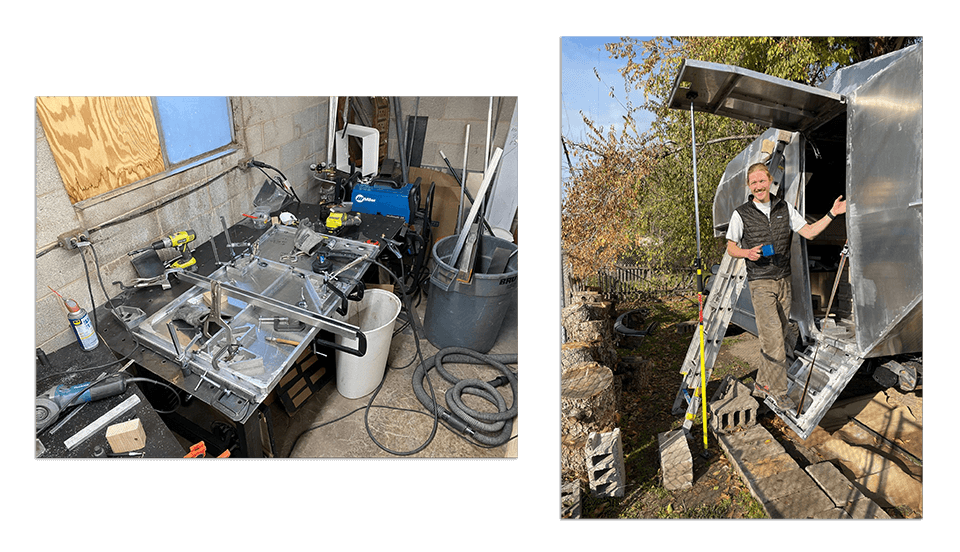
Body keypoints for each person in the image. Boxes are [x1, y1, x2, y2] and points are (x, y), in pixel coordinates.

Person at [725, 162, 846, 412]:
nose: (758, 186)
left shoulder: (784, 208)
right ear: (749, 186)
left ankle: (761, 384)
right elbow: (730, 247)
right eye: (754, 182)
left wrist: (833, 213)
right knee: (774, 341)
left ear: (769, 181)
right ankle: (779, 393)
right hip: (761, 283)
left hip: (784, 281)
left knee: (781, 335)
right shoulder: (741, 213)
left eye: (762, 181)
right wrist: (747, 252)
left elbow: (810, 232)